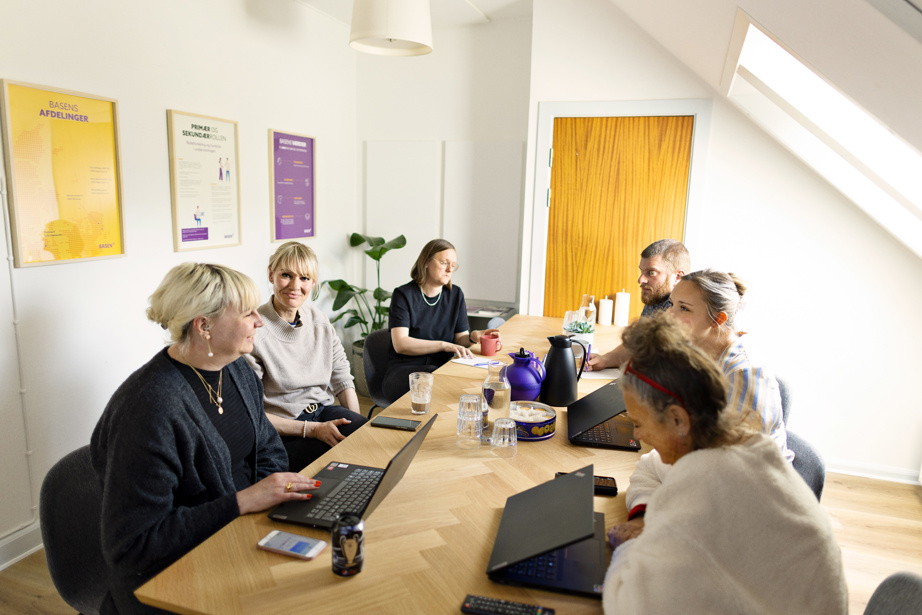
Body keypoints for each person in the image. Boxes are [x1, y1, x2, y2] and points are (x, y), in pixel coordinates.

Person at [91, 263, 319, 615]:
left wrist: (263, 511)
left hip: (238, 534)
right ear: (204, 325)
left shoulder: (236, 369)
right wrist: (242, 502)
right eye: (247, 313)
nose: (260, 321)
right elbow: (134, 546)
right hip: (169, 578)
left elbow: (268, 448)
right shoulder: (150, 409)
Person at [602, 316, 846, 614]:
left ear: (678, 419)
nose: (637, 435)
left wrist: (628, 547)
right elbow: (648, 468)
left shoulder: (704, 494)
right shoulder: (734, 445)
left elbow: (628, 604)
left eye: (639, 423)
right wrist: (642, 517)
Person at [623, 269, 793, 525]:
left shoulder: (748, 377)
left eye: (684, 308)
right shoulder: (700, 355)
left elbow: (732, 480)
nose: (670, 314)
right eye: (672, 304)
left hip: (753, 508)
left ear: (718, 319)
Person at [246, 241, 368, 472]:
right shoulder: (254, 331)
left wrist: (353, 423)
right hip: (282, 429)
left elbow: (341, 375)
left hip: (322, 412)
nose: (295, 286)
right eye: (286, 275)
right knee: (331, 462)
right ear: (271, 274)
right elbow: (251, 413)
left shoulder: (318, 319)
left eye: (304, 278)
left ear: (312, 283)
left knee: (365, 439)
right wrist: (310, 430)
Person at [382, 238, 500, 401]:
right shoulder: (403, 295)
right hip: (406, 372)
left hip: (441, 368)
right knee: (449, 390)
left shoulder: (455, 294)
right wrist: (443, 345)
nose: (450, 269)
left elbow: (460, 339)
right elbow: (401, 344)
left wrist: (473, 337)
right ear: (426, 262)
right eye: (444, 263)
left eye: (453, 265)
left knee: (474, 383)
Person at [586, 238, 689, 371]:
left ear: (678, 277)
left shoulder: (685, 314)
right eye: (642, 271)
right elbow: (637, 344)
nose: (641, 279)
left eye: (651, 273)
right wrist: (605, 359)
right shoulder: (655, 297)